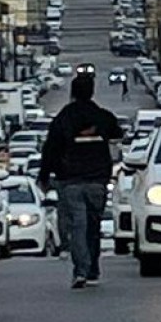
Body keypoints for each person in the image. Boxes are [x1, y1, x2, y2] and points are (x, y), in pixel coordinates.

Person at [38, 71, 124, 290]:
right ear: (92, 92)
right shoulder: (102, 116)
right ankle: (92, 267)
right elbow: (117, 133)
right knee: (93, 226)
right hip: (97, 180)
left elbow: (50, 149)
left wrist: (44, 176)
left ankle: (81, 270)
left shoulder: (63, 119)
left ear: (73, 92)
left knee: (78, 225)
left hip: (71, 181)